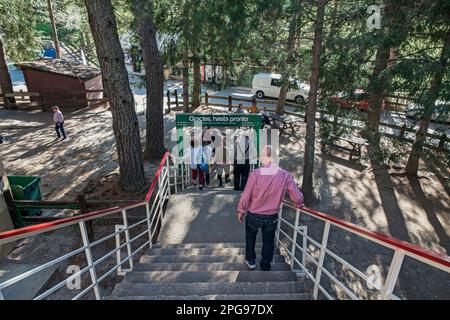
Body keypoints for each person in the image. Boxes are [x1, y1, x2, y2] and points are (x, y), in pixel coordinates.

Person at [237, 145, 304, 271]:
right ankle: (265, 264)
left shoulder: (255, 174)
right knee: (268, 241)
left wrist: (241, 210)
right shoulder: (286, 175)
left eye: (262, 155)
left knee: (250, 237)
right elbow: (296, 196)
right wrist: (299, 203)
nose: (260, 158)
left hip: (254, 214)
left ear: (270, 157)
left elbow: (246, 195)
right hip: (271, 216)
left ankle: (251, 260)